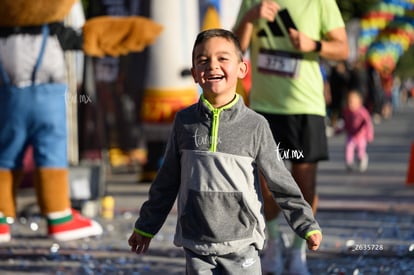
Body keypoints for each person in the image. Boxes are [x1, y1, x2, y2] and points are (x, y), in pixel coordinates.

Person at [128, 28, 322, 275]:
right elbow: (166, 181)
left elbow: (280, 181)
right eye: (202, 60)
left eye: (222, 58)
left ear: (242, 69)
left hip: (242, 244)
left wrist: (305, 224)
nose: (212, 66)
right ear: (194, 74)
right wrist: (146, 226)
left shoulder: (255, 125)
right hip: (196, 244)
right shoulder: (184, 122)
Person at [233, 1, 349, 274]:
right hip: (264, 107)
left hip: (305, 107)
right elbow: (233, 50)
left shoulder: (320, 2)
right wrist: (250, 17)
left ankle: (299, 250)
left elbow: (343, 48)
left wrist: (315, 45)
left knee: (304, 185)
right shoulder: (253, 1)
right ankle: (273, 242)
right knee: (265, 185)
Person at [337, 90, 374, 172]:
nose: (350, 104)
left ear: (359, 103)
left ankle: (362, 159)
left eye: (352, 102)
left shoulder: (362, 112)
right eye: (349, 102)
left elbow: (368, 124)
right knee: (348, 147)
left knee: (361, 149)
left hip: (361, 135)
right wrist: (338, 131)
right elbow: (345, 124)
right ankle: (349, 162)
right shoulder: (347, 112)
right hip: (351, 134)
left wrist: (369, 135)